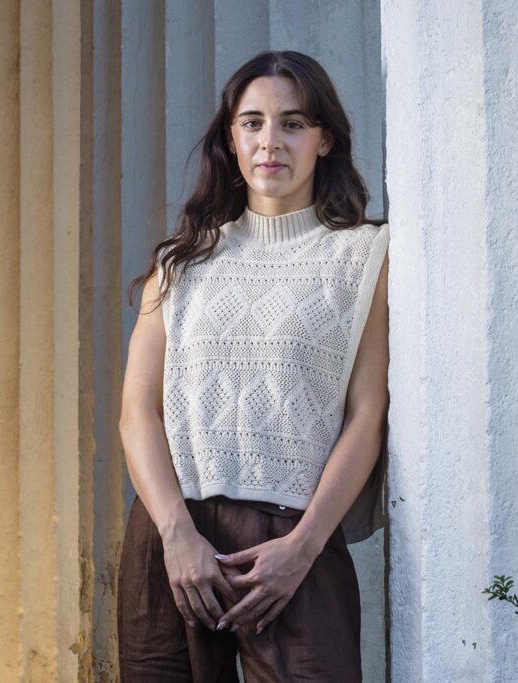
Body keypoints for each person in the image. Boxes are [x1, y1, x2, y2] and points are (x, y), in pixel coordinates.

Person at [117, 49, 389, 682]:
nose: (272, 141)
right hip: (175, 534)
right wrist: (176, 533)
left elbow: (366, 415)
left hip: (294, 539)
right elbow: (138, 411)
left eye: (293, 123)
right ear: (231, 140)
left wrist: (304, 546)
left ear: (325, 141)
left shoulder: (364, 258)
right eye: (253, 122)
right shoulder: (180, 263)